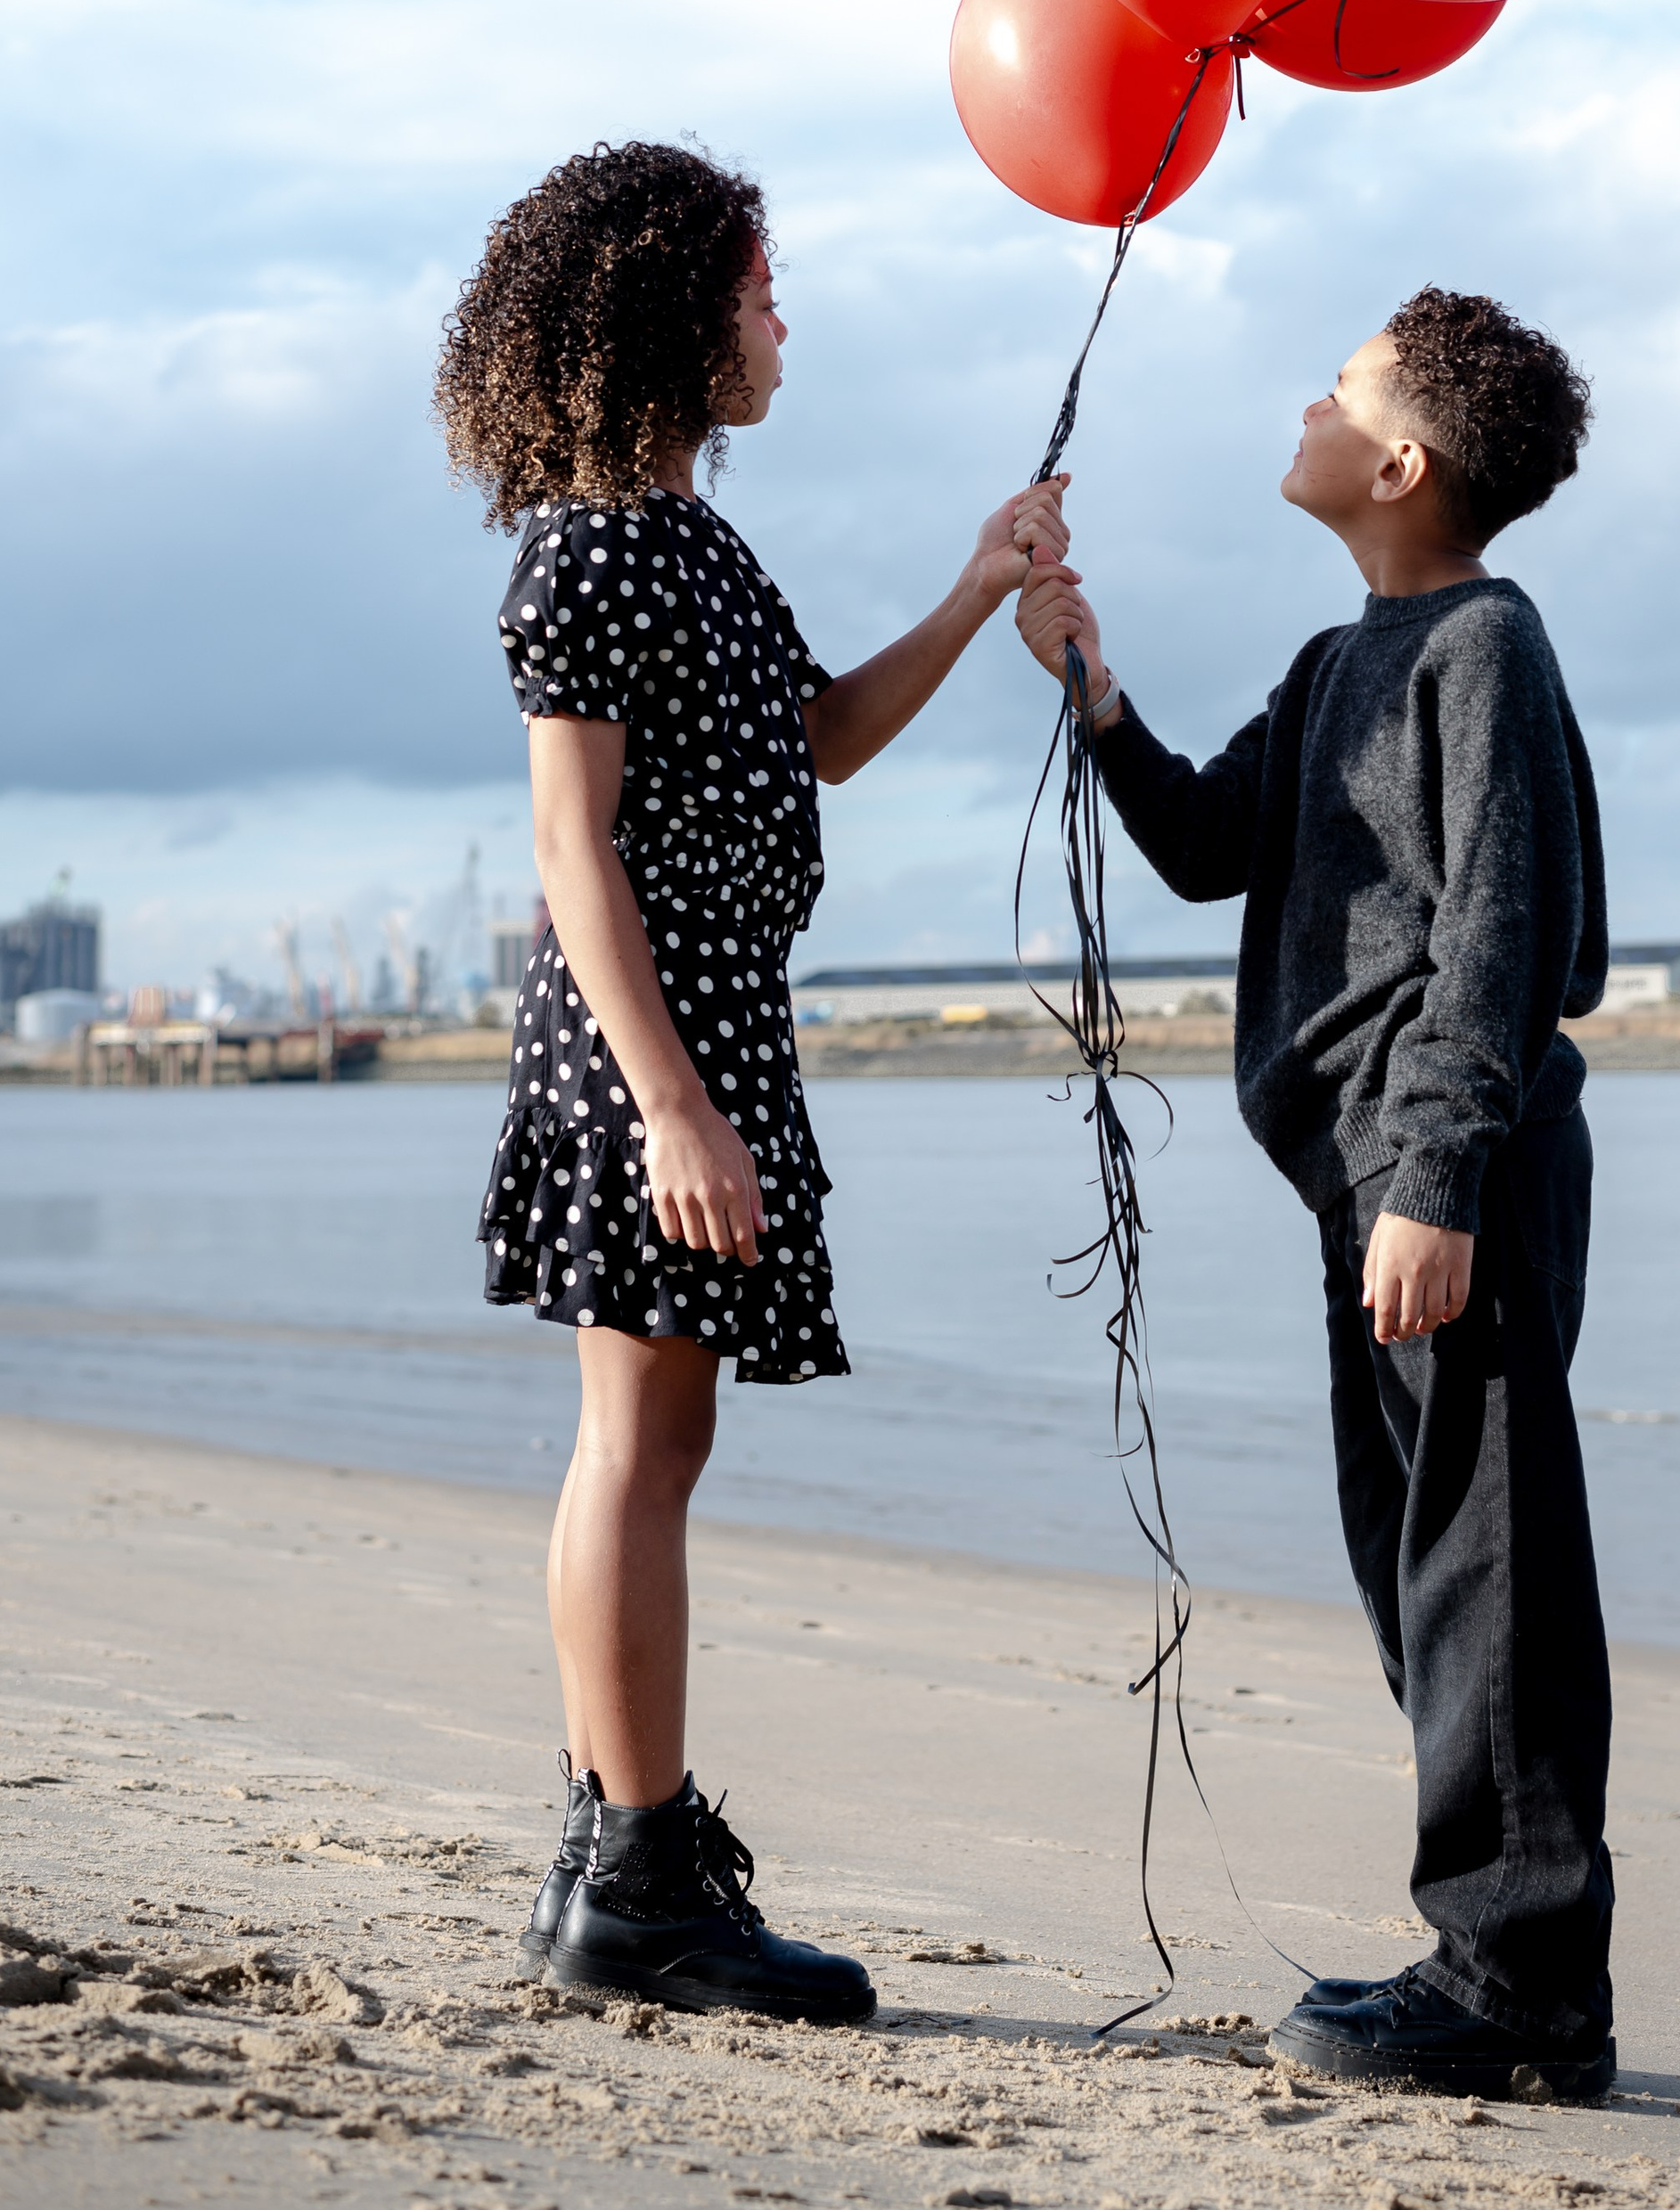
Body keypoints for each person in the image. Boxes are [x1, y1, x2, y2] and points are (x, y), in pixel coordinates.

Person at [434, 138, 1068, 2022]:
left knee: (659, 1439)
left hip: (708, 1036)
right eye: (757, 285)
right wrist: (671, 1109)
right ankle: (634, 1869)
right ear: (666, 310)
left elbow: (822, 739)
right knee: (637, 1444)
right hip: (653, 1048)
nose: (781, 316)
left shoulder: (697, 541)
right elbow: (575, 849)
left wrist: (974, 586)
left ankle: (607, 1838)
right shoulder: (592, 546)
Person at [1016, 287, 1613, 2105]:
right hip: (1363, 1176)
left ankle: (1522, 1985)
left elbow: (1498, 938)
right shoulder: (1334, 657)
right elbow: (1208, 842)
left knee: (1485, 1570)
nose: (1306, 398)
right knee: (1410, 1565)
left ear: (1399, 459)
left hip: (1454, 1176)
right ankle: (1487, 1946)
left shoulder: (1482, 651)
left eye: (1335, 387)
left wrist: (1434, 1175)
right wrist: (1093, 692)